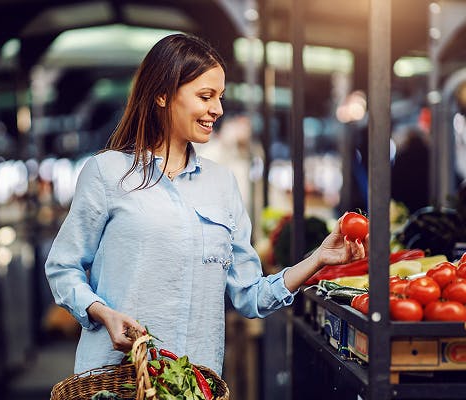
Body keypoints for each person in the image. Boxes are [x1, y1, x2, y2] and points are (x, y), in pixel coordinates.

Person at [44, 33, 367, 376]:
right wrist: (100, 311)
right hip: (116, 380)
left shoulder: (222, 184)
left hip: (194, 383)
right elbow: (63, 268)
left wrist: (318, 259)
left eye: (220, 96)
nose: (218, 109)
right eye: (205, 96)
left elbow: (250, 295)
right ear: (162, 95)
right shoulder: (106, 173)